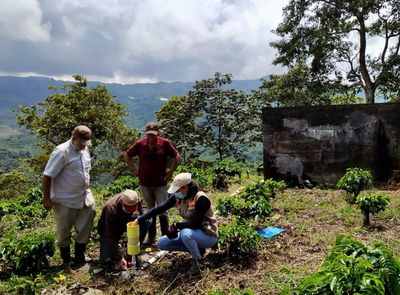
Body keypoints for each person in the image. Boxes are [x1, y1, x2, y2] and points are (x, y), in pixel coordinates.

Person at [132, 173, 218, 268]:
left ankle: (198, 260)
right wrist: (139, 219)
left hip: (208, 235)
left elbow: (195, 224)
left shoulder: (200, 199)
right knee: (162, 243)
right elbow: (159, 209)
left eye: (178, 190)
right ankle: (198, 249)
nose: (176, 193)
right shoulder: (178, 197)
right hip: (194, 233)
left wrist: (177, 225)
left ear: (185, 187)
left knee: (185, 234)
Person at [41, 125, 95, 267]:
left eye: (86, 143)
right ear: (74, 137)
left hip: (84, 196)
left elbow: (85, 167)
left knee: (85, 225)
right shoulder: (62, 151)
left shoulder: (85, 149)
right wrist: (46, 198)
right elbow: (47, 176)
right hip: (65, 199)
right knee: (64, 230)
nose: (84, 146)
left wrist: (87, 180)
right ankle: (66, 259)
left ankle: (79, 256)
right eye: (81, 143)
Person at [123, 122, 180, 245]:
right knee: (150, 210)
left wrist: (171, 172)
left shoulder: (164, 143)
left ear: (158, 133)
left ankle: (165, 237)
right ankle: (151, 237)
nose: (151, 137)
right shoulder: (140, 144)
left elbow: (176, 155)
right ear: (146, 134)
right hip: (145, 183)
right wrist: (133, 168)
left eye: (153, 135)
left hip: (160, 183)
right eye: (149, 135)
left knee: (162, 209)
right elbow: (127, 155)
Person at [97, 189, 148, 271]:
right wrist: (119, 258)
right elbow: (110, 235)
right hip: (108, 228)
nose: (133, 209)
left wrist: (138, 222)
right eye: (129, 208)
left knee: (145, 222)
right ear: (123, 203)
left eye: (134, 207)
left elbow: (141, 213)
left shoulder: (135, 198)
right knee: (106, 261)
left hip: (126, 219)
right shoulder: (111, 209)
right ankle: (116, 253)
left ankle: (132, 251)